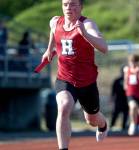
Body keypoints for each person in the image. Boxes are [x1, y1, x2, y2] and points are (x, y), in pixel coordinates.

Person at [42, 0, 108, 149]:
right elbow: (53, 32)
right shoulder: (55, 21)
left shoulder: (88, 24)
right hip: (65, 78)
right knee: (64, 106)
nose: (68, 8)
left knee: (91, 119)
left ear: (81, 7)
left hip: (87, 81)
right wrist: (49, 49)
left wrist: (84, 33)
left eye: (73, 4)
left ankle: (103, 124)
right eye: (65, 4)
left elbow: (104, 48)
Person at [110, 65, 129, 130]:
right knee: (115, 114)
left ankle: (124, 128)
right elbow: (113, 91)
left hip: (127, 101)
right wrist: (111, 100)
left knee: (126, 115)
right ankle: (111, 126)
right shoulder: (117, 80)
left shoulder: (129, 80)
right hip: (118, 101)